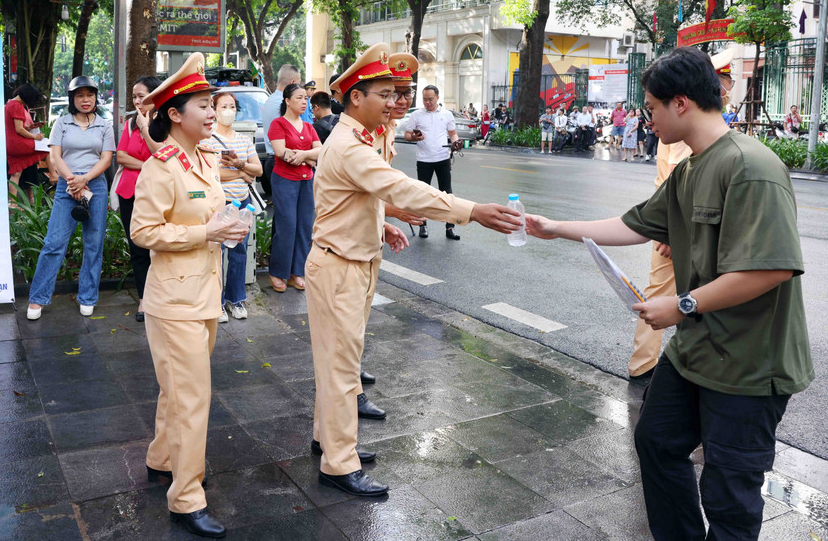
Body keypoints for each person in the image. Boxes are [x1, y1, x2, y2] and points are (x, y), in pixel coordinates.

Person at [526, 46, 813, 541]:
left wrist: (681, 305)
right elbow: (635, 224)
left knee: (729, 495)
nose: (647, 118)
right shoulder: (689, 169)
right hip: (696, 351)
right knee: (657, 442)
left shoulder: (751, 167)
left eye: (652, 107)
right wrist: (555, 227)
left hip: (748, 364)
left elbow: (770, 270)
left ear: (681, 103)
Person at [309, 43, 523, 497]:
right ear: (355, 98)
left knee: (338, 364)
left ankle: (329, 440)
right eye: (385, 94)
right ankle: (338, 462)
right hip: (339, 266)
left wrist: (380, 224)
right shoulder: (349, 145)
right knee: (342, 367)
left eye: (396, 93)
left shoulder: (359, 139)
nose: (394, 103)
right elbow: (401, 188)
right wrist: (471, 211)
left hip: (353, 259)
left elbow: (360, 198)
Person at [131, 53, 248, 539]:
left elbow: (211, 217)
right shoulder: (161, 167)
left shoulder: (202, 158)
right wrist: (206, 233)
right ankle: (185, 495)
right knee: (192, 397)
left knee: (176, 392)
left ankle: (162, 459)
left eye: (210, 103)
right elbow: (143, 231)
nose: (212, 112)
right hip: (174, 301)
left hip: (204, 294)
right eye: (202, 104)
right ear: (174, 114)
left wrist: (227, 229)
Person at [629, 49, 730, 384]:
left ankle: (645, 363)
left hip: (672, 222)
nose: (650, 118)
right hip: (677, 226)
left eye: (652, 108)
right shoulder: (685, 133)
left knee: (671, 294)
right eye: (723, 85)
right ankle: (644, 365)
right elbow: (676, 176)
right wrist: (671, 231)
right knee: (667, 296)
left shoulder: (712, 141)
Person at [26, 76, 115, 320]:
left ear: (95, 97)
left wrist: (84, 179)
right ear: (72, 99)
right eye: (79, 95)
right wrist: (72, 180)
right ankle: (38, 298)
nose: (85, 100)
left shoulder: (104, 126)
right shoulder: (62, 123)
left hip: (94, 185)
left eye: (89, 95)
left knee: (94, 244)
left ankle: (87, 296)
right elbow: (55, 155)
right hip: (67, 186)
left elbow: (106, 159)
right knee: (54, 242)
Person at [202, 92, 263, 321]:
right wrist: (242, 171)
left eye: (231, 106)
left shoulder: (244, 140)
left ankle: (235, 299)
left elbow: (258, 170)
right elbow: (212, 173)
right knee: (215, 253)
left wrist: (240, 166)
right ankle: (215, 302)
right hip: (219, 204)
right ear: (214, 110)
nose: (228, 110)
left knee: (239, 252)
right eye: (223, 106)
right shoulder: (206, 140)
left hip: (242, 203)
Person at [115, 76, 164, 322]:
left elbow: (162, 153)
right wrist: (148, 165)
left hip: (156, 193)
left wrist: (146, 128)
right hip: (128, 192)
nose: (137, 101)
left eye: (141, 96)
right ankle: (144, 299)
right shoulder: (129, 124)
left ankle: (161, 297)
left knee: (157, 246)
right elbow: (121, 156)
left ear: (154, 97)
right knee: (137, 248)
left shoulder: (165, 123)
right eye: (134, 96)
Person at [267, 84, 321, 293]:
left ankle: (296, 272)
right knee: (287, 225)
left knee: (305, 226)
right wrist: (309, 156)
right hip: (284, 180)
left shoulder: (308, 126)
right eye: (299, 98)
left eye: (305, 99)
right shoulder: (278, 124)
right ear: (287, 101)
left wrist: (304, 156)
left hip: (306, 180)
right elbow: (282, 152)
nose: (304, 102)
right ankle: (278, 272)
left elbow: (321, 151)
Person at [405, 86, 462, 240]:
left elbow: (453, 134)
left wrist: (456, 143)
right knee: (423, 194)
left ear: (437, 97)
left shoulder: (447, 114)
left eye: (430, 99)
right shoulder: (416, 115)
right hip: (424, 160)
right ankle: (422, 225)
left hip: (443, 158)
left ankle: (450, 227)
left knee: (447, 193)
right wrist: (414, 137)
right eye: (424, 99)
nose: (427, 102)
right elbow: (407, 135)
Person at [261, 64, 302, 185]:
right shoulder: (283, 104)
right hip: (282, 160)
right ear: (292, 82)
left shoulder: (270, 100)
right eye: (298, 85)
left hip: (274, 159)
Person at [5, 83, 48, 197]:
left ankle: (12, 203)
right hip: (18, 143)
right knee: (47, 146)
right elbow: (19, 130)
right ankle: (54, 175)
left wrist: (27, 128)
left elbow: (14, 127)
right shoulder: (17, 105)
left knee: (15, 174)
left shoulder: (8, 104)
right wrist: (35, 137)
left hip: (9, 144)